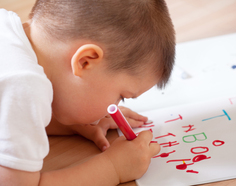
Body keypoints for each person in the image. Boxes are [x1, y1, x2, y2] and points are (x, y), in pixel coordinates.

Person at [0, 0, 175, 185]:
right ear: (85, 62)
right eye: (121, 96)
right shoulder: (25, 84)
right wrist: (113, 167)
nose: (114, 107)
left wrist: (69, 125)